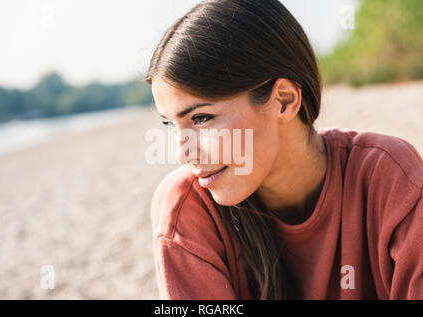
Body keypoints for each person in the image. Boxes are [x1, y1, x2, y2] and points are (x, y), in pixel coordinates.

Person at [146, 0, 423, 299]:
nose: (182, 154)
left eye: (201, 118)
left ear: (284, 100)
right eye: (171, 125)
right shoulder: (187, 208)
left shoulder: (388, 176)